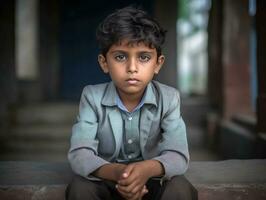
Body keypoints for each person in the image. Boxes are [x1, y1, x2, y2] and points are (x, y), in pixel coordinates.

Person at [65, 6, 197, 200]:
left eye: (144, 57)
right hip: (107, 178)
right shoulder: (92, 97)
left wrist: (146, 169)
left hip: (153, 179)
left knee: (180, 188)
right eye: (120, 57)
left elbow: (178, 155)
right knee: (80, 188)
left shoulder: (169, 98)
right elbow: (80, 154)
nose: (132, 68)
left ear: (158, 64)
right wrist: (119, 173)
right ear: (104, 63)